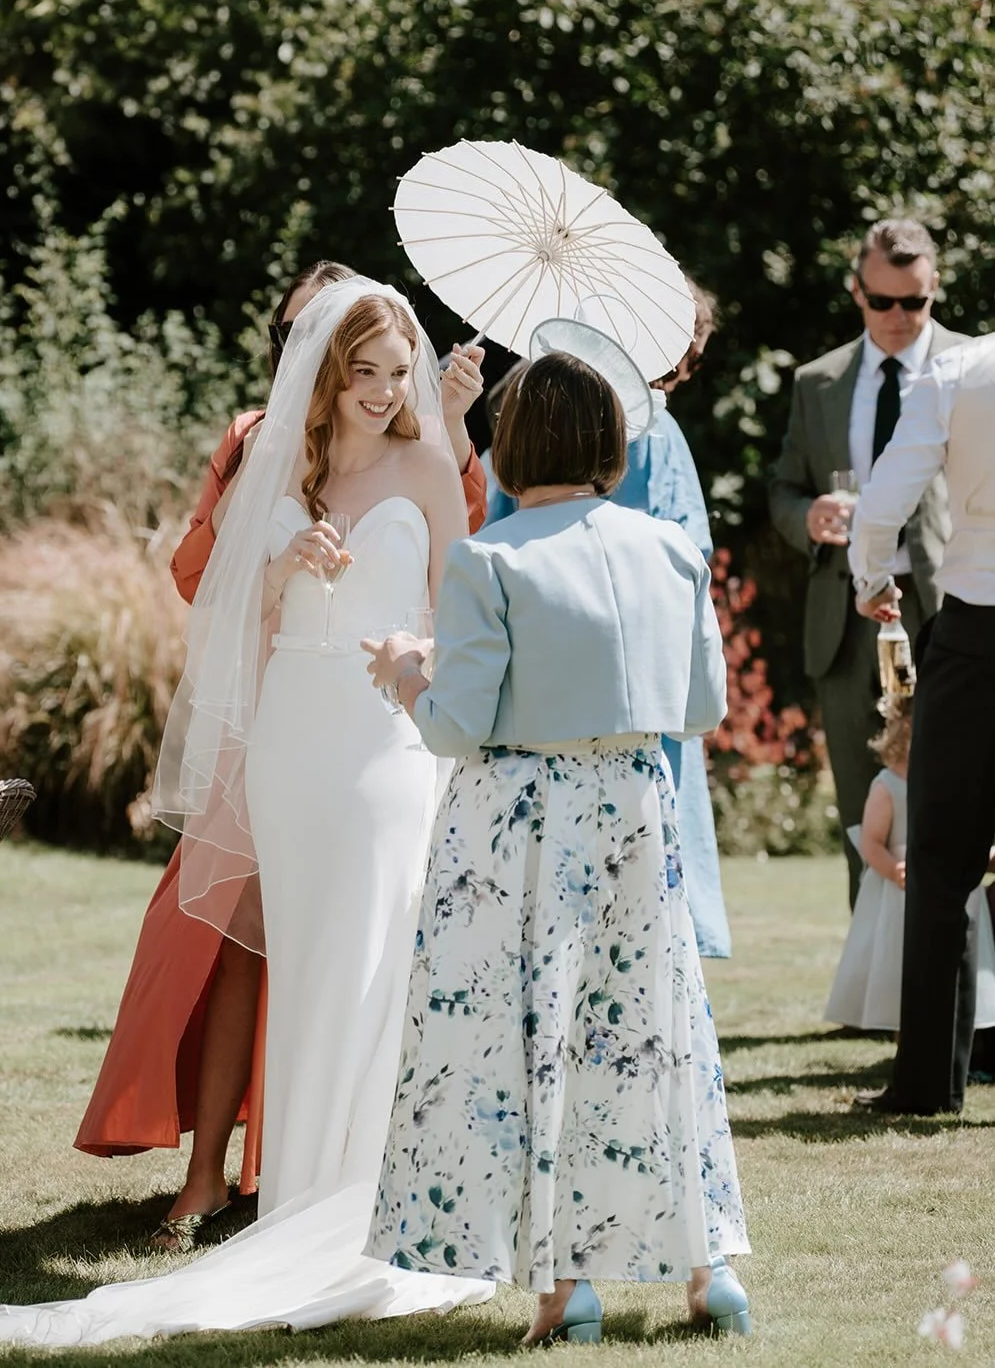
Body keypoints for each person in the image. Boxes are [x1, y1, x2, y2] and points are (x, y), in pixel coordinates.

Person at [0, 278, 497, 1345]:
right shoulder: (278, 468)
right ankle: (299, 1200)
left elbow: (460, 611)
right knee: (306, 968)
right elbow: (224, 623)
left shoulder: (431, 459)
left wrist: (414, 664)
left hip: (385, 739)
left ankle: (372, 1204)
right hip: (293, 741)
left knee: (375, 959)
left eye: (398, 376)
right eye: (365, 376)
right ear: (325, 377)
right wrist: (282, 572)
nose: (386, 395)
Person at [363, 347, 750, 1343]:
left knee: (533, 1043)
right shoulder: (668, 550)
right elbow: (700, 704)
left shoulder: (489, 558)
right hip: (635, 807)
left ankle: (563, 1289)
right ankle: (708, 1277)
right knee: (650, 1037)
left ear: (508, 445)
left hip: (522, 825)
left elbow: (455, 726)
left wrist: (407, 670)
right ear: (611, 443)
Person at [481, 279, 732, 958]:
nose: (676, 378)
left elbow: (486, 518)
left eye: (686, 366)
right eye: (673, 362)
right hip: (634, 683)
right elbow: (688, 555)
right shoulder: (651, 430)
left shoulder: (529, 416)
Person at [769, 219, 965, 910]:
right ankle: (872, 981)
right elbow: (782, 491)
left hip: (951, 610)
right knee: (863, 800)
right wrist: (807, 518)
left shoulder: (973, 368)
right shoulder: (816, 381)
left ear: (934, 289)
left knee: (960, 790)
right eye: (880, 302)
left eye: (912, 303)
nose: (896, 318)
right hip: (846, 614)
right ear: (856, 292)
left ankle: (963, 978)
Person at [848, 332, 995, 1115]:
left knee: (941, 863)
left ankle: (927, 1085)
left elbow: (882, 501)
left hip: (976, 629)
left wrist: (871, 577)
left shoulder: (960, 370)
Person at [824, 696, 995, 1031]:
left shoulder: (952, 784)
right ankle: (901, 1028)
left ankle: (959, 1030)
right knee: (897, 960)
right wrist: (892, 868)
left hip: (942, 881)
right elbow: (871, 841)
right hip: (897, 892)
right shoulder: (888, 786)